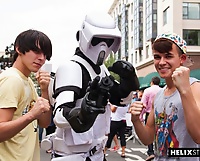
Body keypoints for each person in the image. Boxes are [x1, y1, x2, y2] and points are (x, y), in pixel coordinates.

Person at [41, 11, 139, 161]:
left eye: (109, 41)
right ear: (82, 37)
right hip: (72, 155)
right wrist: (84, 112)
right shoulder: (71, 68)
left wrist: (129, 82)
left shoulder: (101, 70)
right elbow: (60, 116)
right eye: (98, 40)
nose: (103, 47)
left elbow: (119, 99)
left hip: (96, 154)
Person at [129, 32, 200, 161]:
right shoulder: (159, 95)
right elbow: (147, 138)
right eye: (157, 57)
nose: (162, 62)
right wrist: (135, 119)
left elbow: (198, 136)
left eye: (168, 56)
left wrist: (185, 91)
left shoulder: (195, 87)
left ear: (182, 58)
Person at [0, 29, 52, 161]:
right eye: (36, 51)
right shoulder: (12, 79)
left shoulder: (27, 80)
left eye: (45, 55)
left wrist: (44, 90)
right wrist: (31, 115)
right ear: (19, 49)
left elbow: (44, 123)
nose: (41, 58)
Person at [139, 76, 162, 160]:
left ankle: (151, 151)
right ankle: (159, 150)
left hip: (150, 114)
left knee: (149, 133)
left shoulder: (147, 90)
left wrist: (140, 117)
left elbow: (143, 104)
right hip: (161, 114)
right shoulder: (162, 90)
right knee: (160, 133)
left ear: (152, 82)